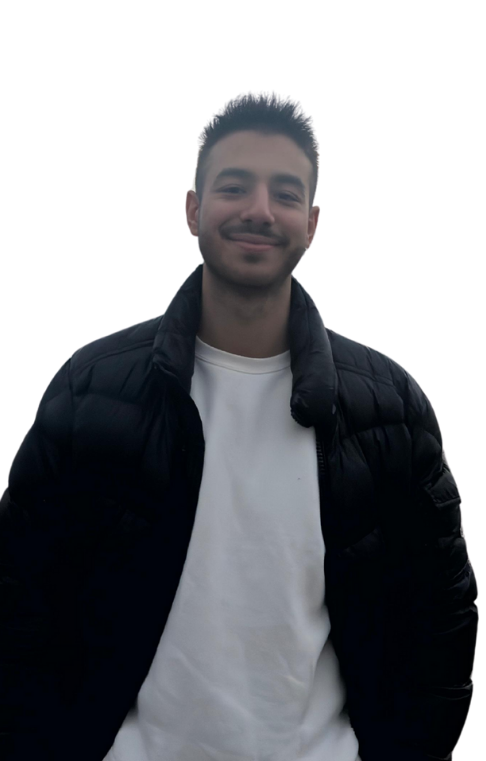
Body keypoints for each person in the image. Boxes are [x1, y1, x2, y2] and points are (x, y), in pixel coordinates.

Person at [0, 90, 477, 761]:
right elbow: (20, 603)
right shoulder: (89, 390)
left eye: (285, 192)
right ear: (193, 209)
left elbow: (440, 622)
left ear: (312, 223)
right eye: (234, 186)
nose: (259, 209)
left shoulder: (391, 407)